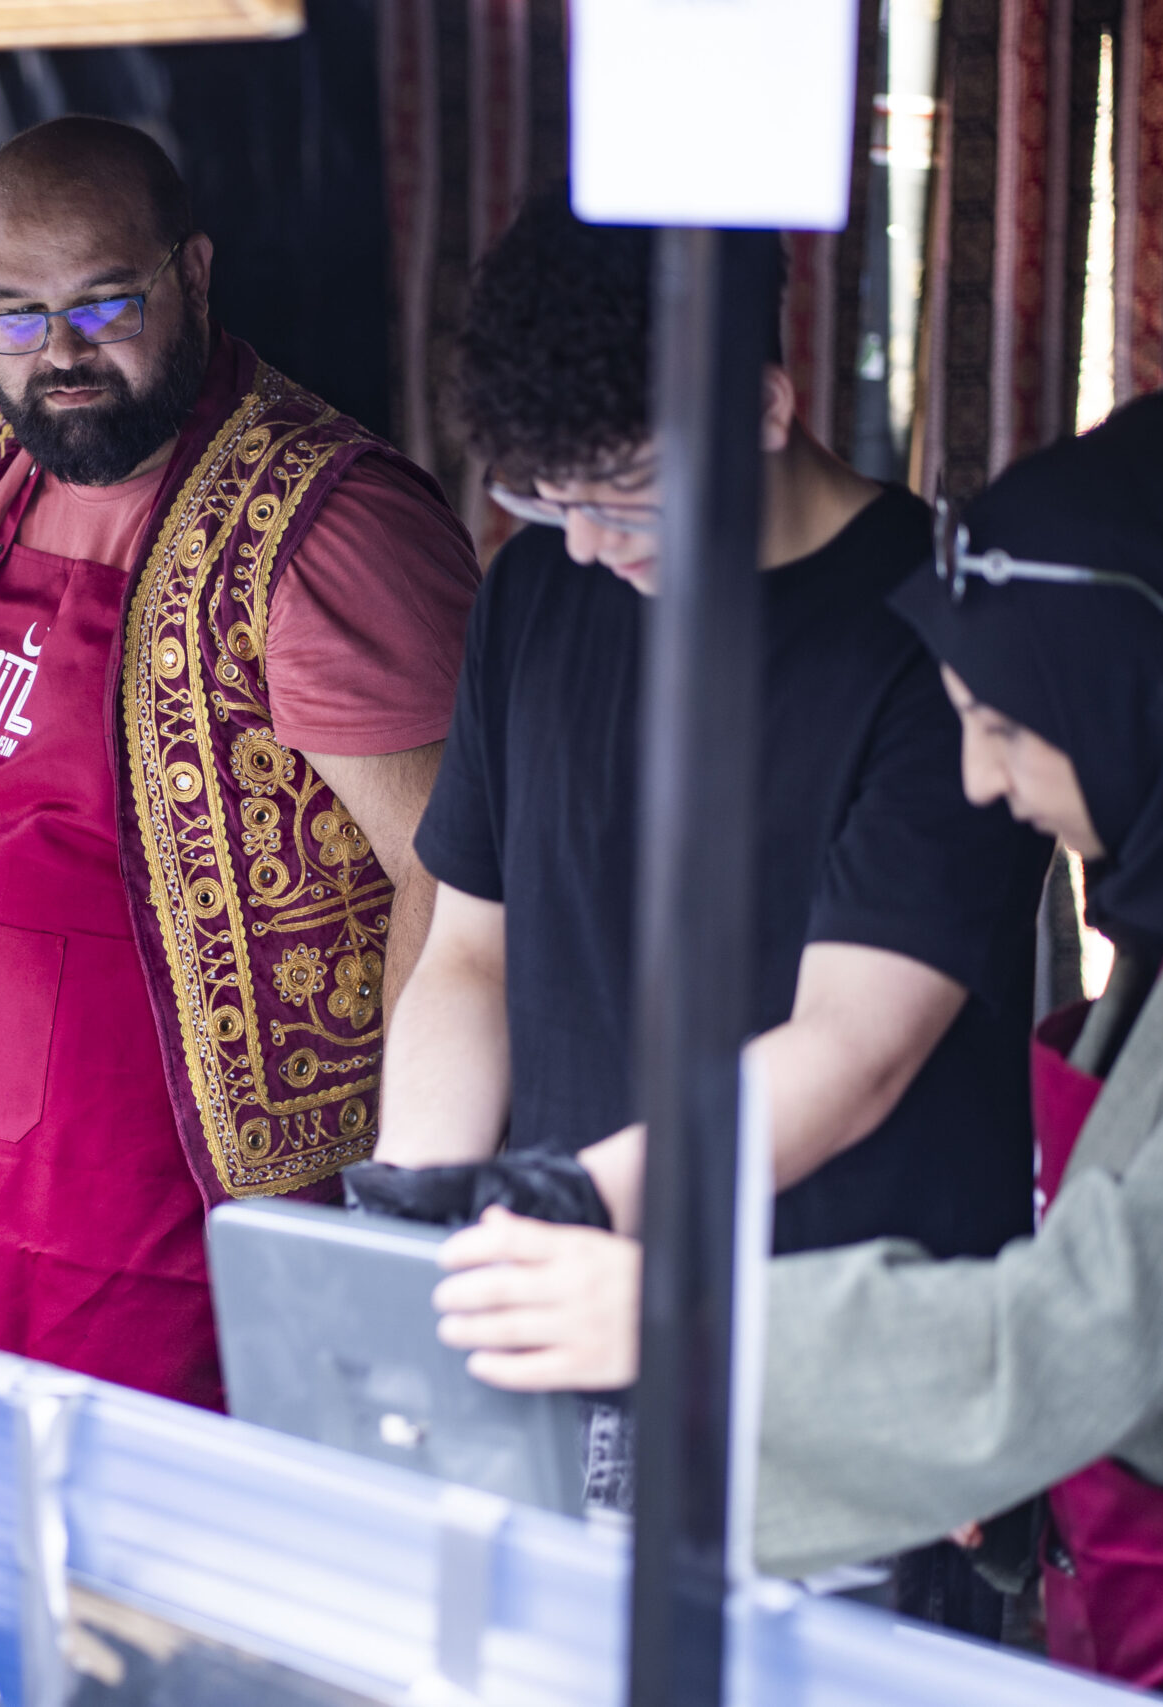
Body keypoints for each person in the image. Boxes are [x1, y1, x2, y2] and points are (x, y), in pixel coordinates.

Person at [436, 393, 1163, 1704]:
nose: (985, 783)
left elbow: (1088, 1320)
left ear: (1139, 701)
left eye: (1004, 728)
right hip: (1141, 1573)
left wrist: (670, 1323)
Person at [372, 195, 1051, 1616]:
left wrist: (568, 1201)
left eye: (624, 489)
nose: (585, 542)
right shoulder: (535, 594)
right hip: (564, 1341)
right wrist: (417, 1217)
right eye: (546, 495)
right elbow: (472, 955)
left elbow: (852, 1049)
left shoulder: (946, 636)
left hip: (826, 1362)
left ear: (762, 405)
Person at [0, 116, 482, 1408]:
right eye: (15, 314)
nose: (61, 353)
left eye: (105, 304)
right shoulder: (5, 465)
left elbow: (456, 878)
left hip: (132, 1225)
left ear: (194, 275)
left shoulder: (327, 527)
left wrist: (395, 1205)